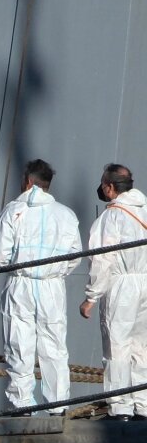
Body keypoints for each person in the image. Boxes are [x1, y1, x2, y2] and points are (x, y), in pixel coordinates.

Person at [0, 159, 82, 416]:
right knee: (54, 346)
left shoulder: (14, 211)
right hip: (52, 287)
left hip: (21, 283)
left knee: (19, 343)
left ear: (28, 182)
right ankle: (58, 405)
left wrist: (19, 269)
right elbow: (75, 255)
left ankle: (22, 405)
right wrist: (55, 273)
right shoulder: (66, 215)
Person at [80, 163, 147, 420]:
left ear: (109, 188)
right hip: (145, 282)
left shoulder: (112, 216)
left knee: (117, 347)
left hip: (123, 285)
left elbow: (102, 260)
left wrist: (91, 297)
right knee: (141, 347)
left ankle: (120, 408)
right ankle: (143, 405)